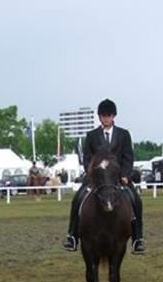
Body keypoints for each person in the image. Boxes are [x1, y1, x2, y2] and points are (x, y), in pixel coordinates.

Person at [62, 99, 146, 254]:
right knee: (77, 198)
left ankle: (137, 238)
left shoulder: (123, 134)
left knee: (135, 200)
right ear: (99, 117)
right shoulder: (92, 136)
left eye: (108, 115)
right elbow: (87, 158)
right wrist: (93, 174)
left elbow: (128, 157)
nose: (106, 118)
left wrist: (125, 175)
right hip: (97, 178)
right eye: (103, 116)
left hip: (118, 178)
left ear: (113, 116)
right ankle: (72, 236)